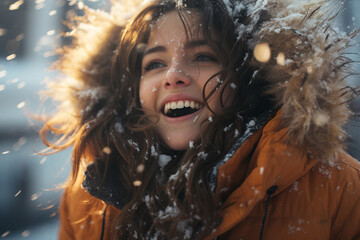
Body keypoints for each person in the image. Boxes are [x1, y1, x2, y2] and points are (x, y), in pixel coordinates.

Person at [40, 0, 360, 239]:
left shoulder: (340, 188)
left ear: (248, 77)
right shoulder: (87, 201)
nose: (174, 75)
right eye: (154, 64)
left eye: (203, 57)